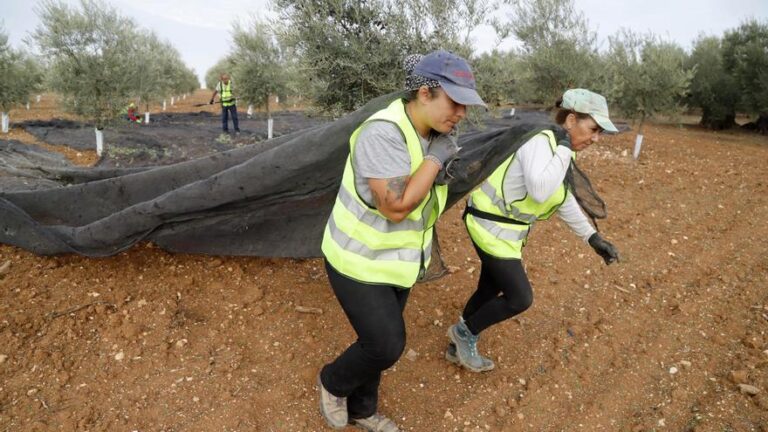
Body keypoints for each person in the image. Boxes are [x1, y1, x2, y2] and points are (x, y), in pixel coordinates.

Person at [317, 50, 486, 431]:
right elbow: (396, 208)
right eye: (455, 102)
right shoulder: (384, 132)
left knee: (377, 341)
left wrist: (435, 164)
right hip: (356, 258)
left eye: (466, 106)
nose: (461, 114)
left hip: (397, 260)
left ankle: (363, 409)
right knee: (385, 344)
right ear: (425, 93)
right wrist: (436, 161)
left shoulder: (430, 133)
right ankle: (332, 381)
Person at [446, 88, 621, 373]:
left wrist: (593, 238)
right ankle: (463, 334)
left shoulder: (563, 151)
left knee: (489, 288)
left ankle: (457, 346)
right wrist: (564, 148)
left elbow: (561, 198)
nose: (596, 139)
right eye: (593, 129)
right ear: (571, 120)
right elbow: (540, 190)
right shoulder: (542, 143)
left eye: (599, 133)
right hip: (488, 225)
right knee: (519, 297)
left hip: (506, 233)